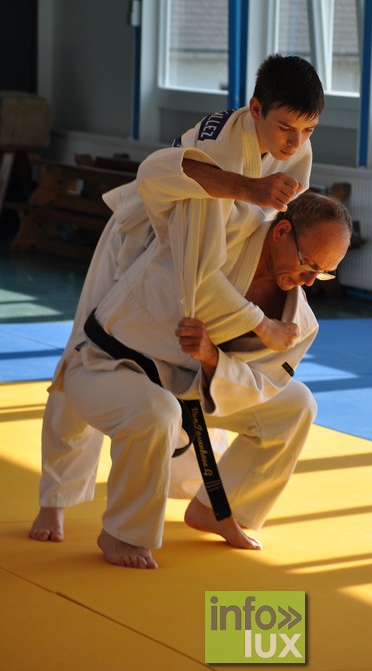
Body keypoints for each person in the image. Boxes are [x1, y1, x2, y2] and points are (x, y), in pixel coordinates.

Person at [30, 54, 325, 544]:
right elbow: (159, 175)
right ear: (255, 110)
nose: (296, 143)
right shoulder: (222, 148)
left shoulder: (295, 150)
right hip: (142, 241)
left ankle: (212, 498)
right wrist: (258, 320)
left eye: (308, 131)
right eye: (287, 129)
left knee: (182, 375)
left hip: (207, 264)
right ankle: (55, 502)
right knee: (83, 354)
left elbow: (270, 232)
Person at [40, 192, 352, 568]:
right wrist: (258, 324)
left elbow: (261, 385)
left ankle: (217, 510)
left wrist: (213, 357)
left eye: (323, 272)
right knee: (155, 411)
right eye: (307, 264)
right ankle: (119, 531)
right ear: (281, 231)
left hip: (191, 382)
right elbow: (172, 186)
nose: (309, 280)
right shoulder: (214, 232)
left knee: (297, 405)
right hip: (112, 363)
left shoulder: (300, 322)